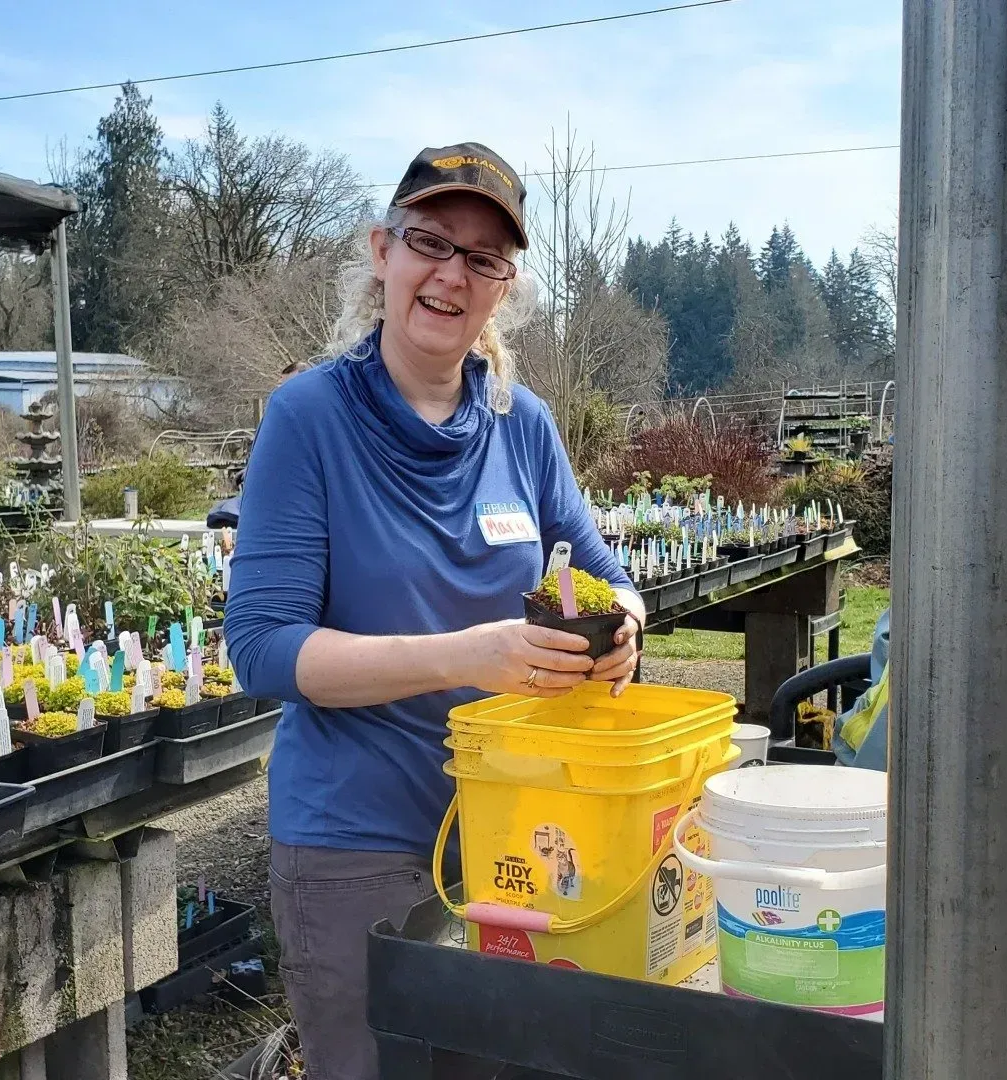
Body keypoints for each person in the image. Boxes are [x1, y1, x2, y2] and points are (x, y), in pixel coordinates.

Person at [223, 142, 644, 1080]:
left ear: (506, 287)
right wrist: (469, 655)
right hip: (355, 840)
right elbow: (261, 647)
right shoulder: (309, 418)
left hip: (515, 832)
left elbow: (608, 574)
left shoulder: (520, 423)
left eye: (483, 258)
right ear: (382, 251)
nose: (452, 273)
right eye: (430, 241)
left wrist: (624, 630)